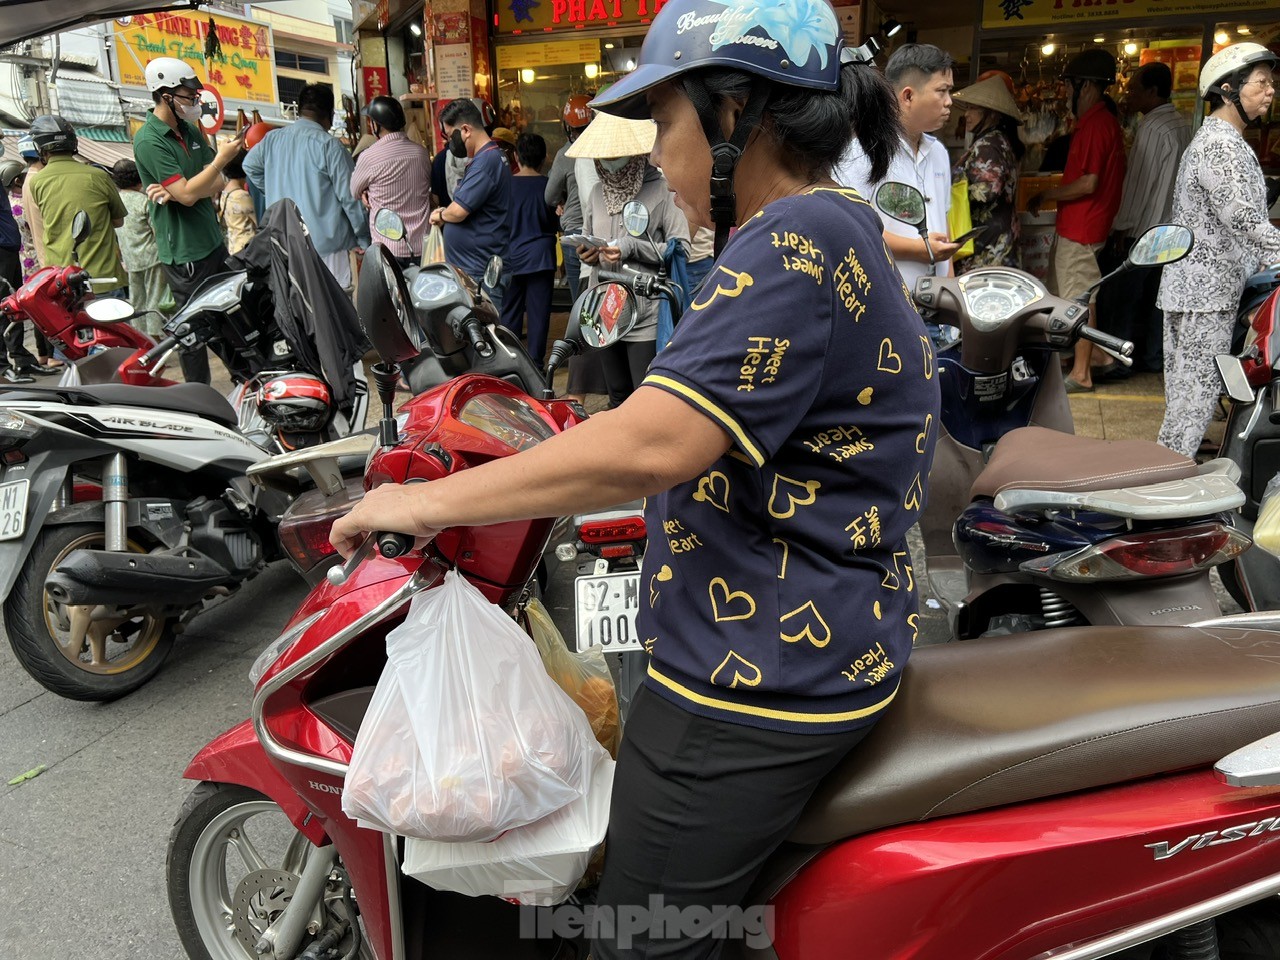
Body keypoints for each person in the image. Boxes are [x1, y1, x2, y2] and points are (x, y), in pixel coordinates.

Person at [330, 2, 937, 956]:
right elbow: (688, 408)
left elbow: (653, 446)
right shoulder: (832, 228)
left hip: (754, 682)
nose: (656, 155)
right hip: (811, 637)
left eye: (664, 122)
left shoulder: (790, 243)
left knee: (641, 938)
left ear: (738, 115)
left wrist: (418, 501)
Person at [1157, 43, 1280, 458]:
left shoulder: (1224, 139)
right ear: (1228, 89)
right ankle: (1168, 488)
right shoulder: (1220, 145)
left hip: (1202, 291)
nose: (1270, 92)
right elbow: (1243, 219)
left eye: (1271, 83)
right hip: (1204, 296)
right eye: (1261, 83)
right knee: (1192, 404)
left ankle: (1169, 475)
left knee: (1188, 402)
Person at [133, 56, 245, 384]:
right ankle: (200, 398)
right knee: (193, 331)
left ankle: (245, 381)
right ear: (166, 95)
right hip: (185, 253)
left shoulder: (190, 130)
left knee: (229, 316)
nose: (195, 100)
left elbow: (219, 182)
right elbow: (188, 192)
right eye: (188, 95)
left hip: (211, 241)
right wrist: (204, 176)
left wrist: (190, 187)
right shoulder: (149, 140)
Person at [567, 111, 690, 407]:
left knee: (645, 399)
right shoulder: (597, 193)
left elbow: (680, 246)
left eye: (617, 155)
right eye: (603, 157)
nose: (609, 163)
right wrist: (587, 252)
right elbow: (588, 235)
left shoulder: (661, 191)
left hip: (645, 315)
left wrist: (631, 247)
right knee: (617, 395)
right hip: (605, 311)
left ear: (636, 154)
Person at [1026, 49, 1126, 393]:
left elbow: (1089, 183)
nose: (1067, 93)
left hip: (1083, 227)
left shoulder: (1097, 124)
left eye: (1069, 85)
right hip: (1080, 225)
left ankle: (1082, 372)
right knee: (1077, 296)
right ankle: (1096, 357)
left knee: (1080, 300)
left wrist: (1046, 196)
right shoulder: (1096, 123)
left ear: (1086, 86)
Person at [835, 43, 961, 293]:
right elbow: (850, 228)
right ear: (908, 96)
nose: (949, 103)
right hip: (888, 299)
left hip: (938, 303)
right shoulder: (863, 150)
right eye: (942, 91)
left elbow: (943, 224)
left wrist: (952, 292)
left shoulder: (938, 153)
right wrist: (920, 249)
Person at [1095, 62, 1191, 379]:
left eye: (1135, 89)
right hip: (1173, 228)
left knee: (1125, 299)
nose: (1129, 94)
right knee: (1156, 302)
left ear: (1152, 92)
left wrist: (1122, 226)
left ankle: (1120, 361)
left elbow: (1139, 183)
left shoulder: (1152, 128)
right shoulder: (1181, 124)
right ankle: (1154, 358)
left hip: (1148, 231)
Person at [243, 82, 370, 290]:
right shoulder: (329, 145)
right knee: (335, 309)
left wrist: (274, 190)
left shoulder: (272, 140)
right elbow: (350, 198)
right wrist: (363, 237)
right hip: (328, 248)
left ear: (301, 110)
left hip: (285, 245)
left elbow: (249, 166)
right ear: (328, 114)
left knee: (299, 311)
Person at [27, 115, 126, 299]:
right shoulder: (98, 175)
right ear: (73, 143)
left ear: (40, 148)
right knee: (112, 327)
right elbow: (118, 221)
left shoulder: (37, 182)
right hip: (104, 277)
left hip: (63, 279)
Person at [430, 98, 511, 314]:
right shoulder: (488, 157)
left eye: (450, 136)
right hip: (476, 267)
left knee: (484, 339)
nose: (450, 144)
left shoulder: (486, 162)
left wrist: (440, 214)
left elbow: (458, 211)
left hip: (478, 272)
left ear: (465, 130)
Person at [951, 75, 1024, 273]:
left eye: (973, 108)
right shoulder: (999, 140)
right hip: (999, 237)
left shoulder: (990, 144)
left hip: (988, 244)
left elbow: (987, 190)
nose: (967, 114)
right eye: (966, 107)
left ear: (992, 114)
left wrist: (948, 188)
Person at [350, 95, 432, 265]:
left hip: (387, 249)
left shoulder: (369, 157)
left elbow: (354, 191)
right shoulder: (421, 153)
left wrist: (366, 191)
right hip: (422, 245)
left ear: (376, 125)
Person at [500, 133, 558, 365]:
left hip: (510, 257)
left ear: (516, 156)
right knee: (538, 315)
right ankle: (535, 364)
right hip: (540, 257)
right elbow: (555, 223)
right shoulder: (548, 187)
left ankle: (508, 361)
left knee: (509, 313)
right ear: (544, 158)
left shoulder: (505, 186)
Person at [110, 159, 174, 338]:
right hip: (152, 256)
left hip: (130, 259)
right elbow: (157, 231)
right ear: (138, 178)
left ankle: (140, 338)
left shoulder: (116, 201)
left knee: (136, 301)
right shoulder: (145, 201)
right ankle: (155, 338)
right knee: (154, 298)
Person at [546, 94, 593, 302]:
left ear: (568, 127)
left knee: (580, 301)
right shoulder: (606, 147)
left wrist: (561, 201)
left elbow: (549, 196)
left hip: (576, 232)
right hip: (605, 230)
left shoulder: (566, 154)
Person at [218, 152, 258, 257]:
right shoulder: (242, 197)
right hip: (247, 249)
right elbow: (259, 222)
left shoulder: (225, 192)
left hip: (233, 246)